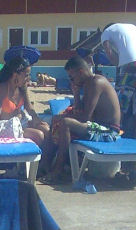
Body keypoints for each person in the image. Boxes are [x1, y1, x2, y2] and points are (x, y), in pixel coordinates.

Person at [40, 55, 122, 183]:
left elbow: (85, 117)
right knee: (59, 121)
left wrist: (62, 118)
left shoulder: (96, 82)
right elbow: (80, 112)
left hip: (108, 132)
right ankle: (46, 164)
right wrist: (76, 94)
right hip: (97, 127)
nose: (71, 80)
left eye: (72, 77)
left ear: (80, 72)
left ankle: (58, 170)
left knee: (65, 123)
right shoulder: (89, 83)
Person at [100, 22, 136, 140]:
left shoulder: (106, 33)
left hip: (130, 63)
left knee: (120, 103)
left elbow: (109, 53)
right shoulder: (133, 28)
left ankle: (115, 135)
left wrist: (119, 66)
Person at [0, 56, 49, 148]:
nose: (28, 78)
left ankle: (47, 157)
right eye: (26, 75)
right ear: (15, 74)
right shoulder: (3, 88)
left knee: (46, 129)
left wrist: (37, 119)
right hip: (7, 127)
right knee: (39, 135)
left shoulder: (22, 87)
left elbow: (28, 106)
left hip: (21, 123)